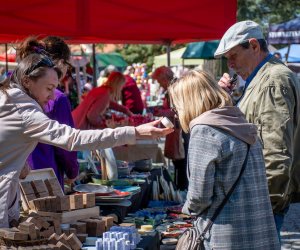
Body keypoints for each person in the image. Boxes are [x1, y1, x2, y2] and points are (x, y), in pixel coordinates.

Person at [0, 53, 173, 228]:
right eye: (49, 88)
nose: (53, 97)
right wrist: (134, 132)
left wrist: (16, 161)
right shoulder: (25, 110)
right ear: (27, 81)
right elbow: (74, 138)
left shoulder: (8, 98)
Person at [169, 69, 280, 249]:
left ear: (188, 102)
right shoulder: (239, 121)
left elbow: (200, 197)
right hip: (261, 231)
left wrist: (184, 210)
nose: (176, 111)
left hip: (226, 235)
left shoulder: (204, 130)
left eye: (176, 106)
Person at [214, 20, 300, 237]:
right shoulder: (263, 78)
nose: (230, 65)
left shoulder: (273, 80)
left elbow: (276, 151)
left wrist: (266, 207)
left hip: (263, 203)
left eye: (233, 56)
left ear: (254, 46)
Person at [17, 36, 79, 190]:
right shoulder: (58, 98)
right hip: (45, 177)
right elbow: (66, 143)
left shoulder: (12, 93)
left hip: (16, 176)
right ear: (61, 63)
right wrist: (73, 173)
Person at [152, 66, 189, 190]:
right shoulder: (173, 87)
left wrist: (163, 112)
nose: (159, 84)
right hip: (177, 129)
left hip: (181, 130)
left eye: (159, 81)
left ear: (164, 78)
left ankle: (181, 189)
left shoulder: (176, 88)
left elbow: (180, 110)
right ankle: (179, 187)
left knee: (181, 162)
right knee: (178, 161)